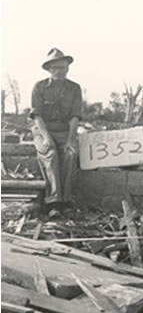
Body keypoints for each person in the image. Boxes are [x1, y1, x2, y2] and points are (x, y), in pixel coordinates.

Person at [30, 48, 82, 217]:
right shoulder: (39, 87)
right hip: (43, 130)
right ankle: (53, 203)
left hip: (64, 131)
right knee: (50, 155)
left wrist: (70, 140)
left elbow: (75, 116)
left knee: (70, 155)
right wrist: (46, 138)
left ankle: (65, 201)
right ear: (49, 69)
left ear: (67, 68)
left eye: (62, 67)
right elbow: (36, 116)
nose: (59, 71)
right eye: (55, 68)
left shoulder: (75, 88)